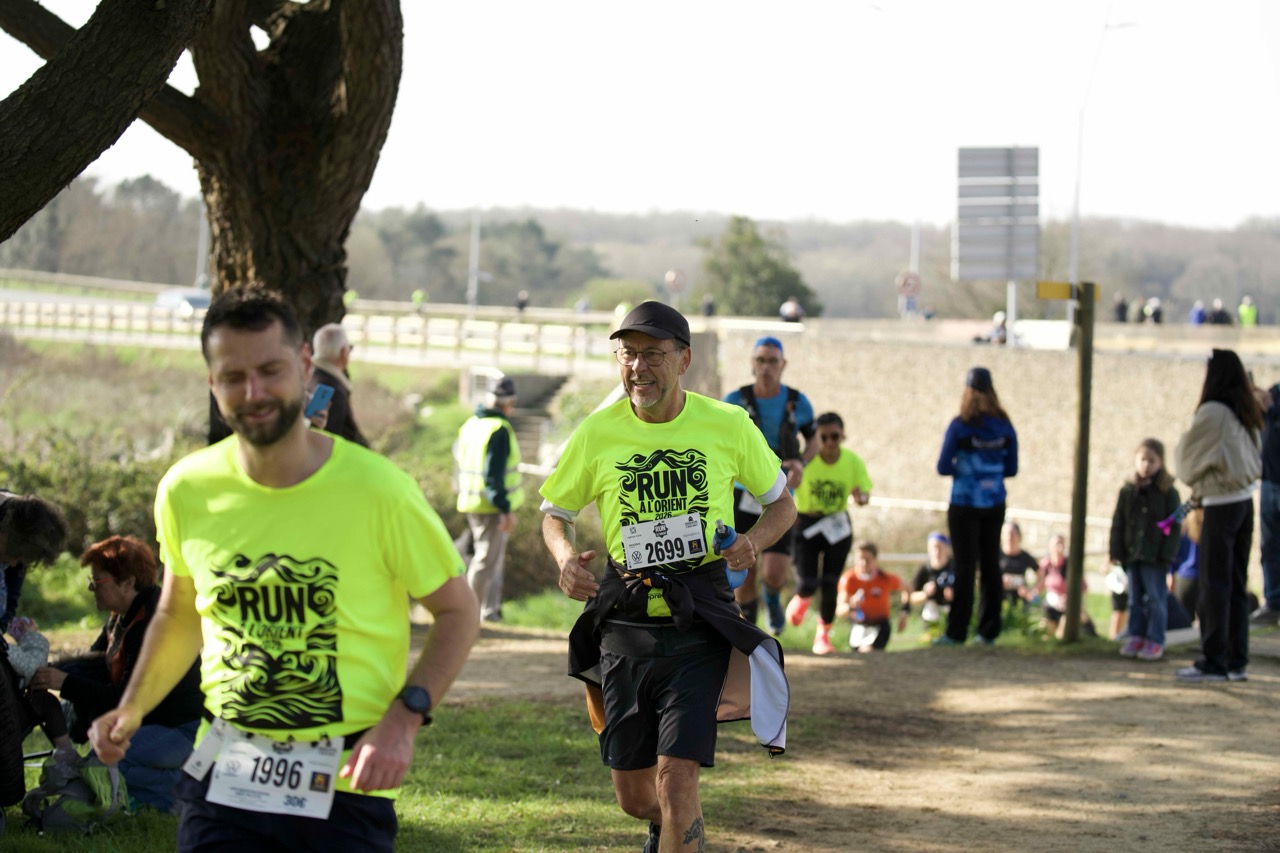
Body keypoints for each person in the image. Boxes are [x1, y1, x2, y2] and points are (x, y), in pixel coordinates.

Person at [88, 289, 479, 850]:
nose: (254, 393)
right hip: (224, 765)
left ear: (303, 365)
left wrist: (405, 718)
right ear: (212, 383)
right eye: (233, 376)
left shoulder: (380, 491)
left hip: (346, 775)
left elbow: (458, 611)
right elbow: (178, 613)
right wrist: (131, 708)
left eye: (270, 370)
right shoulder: (186, 489)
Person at [539, 300, 794, 853]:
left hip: (699, 617)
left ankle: (679, 829)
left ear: (683, 360)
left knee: (678, 779)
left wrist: (751, 543)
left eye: (653, 355)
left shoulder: (727, 423)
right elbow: (555, 514)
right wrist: (565, 558)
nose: (638, 367)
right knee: (636, 796)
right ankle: (671, 831)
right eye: (628, 354)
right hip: (625, 619)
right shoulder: (597, 432)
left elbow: (782, 504)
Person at [28, 536, 204, 811]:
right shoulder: (121, 615)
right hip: (150, 725)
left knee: (106, 764)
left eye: (97, 581)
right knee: (100, 763)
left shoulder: (150, 622)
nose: (91, 588)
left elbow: (122, 698)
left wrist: (65, 682)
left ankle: (190, 791)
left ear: (127, 583)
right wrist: (46, 667)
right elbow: (92, 659)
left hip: (182, 730)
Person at [1173, 349, 1261, 683]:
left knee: (1214, 584)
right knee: (1236, 584)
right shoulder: (1244, 409)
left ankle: (1213, 660)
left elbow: (1187, 462)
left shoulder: (1213, 411)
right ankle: (1237, 660)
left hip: (1221, 505)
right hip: (1244, 503)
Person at [723, 336, 815, 634]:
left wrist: (801, 462)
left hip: (779, 496)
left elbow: (813, 439)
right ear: (752, 363)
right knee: (743, 569)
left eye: (772, 361)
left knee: (774, 573)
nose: (766, 367)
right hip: (741, 495)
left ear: (783, 365)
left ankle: (773, 598)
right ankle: (750, 634)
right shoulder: (734, 400)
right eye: (760, 360)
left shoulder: (797, 402)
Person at [935, 366, 1018, 646]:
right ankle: (988, 631)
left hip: (964, 503)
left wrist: (966, 467)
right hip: (994, 503)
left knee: (965, 567)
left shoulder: (960, 425)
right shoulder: (1004, 426)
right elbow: (1012, 468)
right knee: (991, 565)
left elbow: (943, 466)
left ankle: (956, 632)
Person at [783, 412, 872, 655]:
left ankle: (823, 635)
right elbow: (784, 487)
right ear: (817, 438)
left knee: (831, 582)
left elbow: (865, 492)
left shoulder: (852, 461)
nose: (830, 442)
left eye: (835, 436)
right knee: (808, 582)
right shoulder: (806, 462)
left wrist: (861, 497)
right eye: (824, 437)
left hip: (837, 525)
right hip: (806, 523)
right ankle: (803, 596)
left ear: (843, 436)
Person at [454, 375, 524, 623]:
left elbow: (457, 462)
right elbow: (493, 475)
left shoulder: (471, 424)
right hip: (491, 506)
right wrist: (504, 509)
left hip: (471, 501)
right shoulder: (499, 429)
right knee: (485, 561)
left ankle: (488, 611)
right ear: (510, 403)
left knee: (490, 559)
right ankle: (470, 614)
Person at [1109, 439, 1182, 662]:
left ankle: (1155, 639)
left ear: (1161, 462)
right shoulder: (1128, 491)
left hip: (1155, 557)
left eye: (1152, 460)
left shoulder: (1168, 492)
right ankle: (1136, 635)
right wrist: (1116, 550)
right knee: (1134, 599)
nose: (1146, 465)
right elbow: (1119, 522)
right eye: (1143, 459)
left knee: (1155, 598)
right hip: (1133, 555)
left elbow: (1175, 526)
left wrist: (1167, 555)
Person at [835, 541, 908, 652]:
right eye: (860, 559)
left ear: (875, 560)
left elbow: (908, 588)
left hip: (880, 625)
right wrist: (850, 606)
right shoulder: (848, 579)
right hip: (859, 625)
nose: (863, 563)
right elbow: (839, 611)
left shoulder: (885, 578)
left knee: (868, 651)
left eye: (867, 559)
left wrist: (904, 613)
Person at [1250, 379, 1280, 627]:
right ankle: (1273, 602)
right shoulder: (1273, 392)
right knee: (1269, 547)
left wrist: (1272, 408)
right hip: (1269, 481)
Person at [311, 323, 369, 448]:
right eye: (350, 348)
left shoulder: (311, 378)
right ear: (343, 352)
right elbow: (330, 438)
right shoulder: (332, 390)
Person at [1034, 533, 1096, 639]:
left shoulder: (1070, 565)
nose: (1060, 546)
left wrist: (1070, 599)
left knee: (1063, 630)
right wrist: (1031, 594)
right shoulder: (1046, 564)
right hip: (1051, 605)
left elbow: (1083, 588)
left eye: (1061, 543)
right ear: (1049, 545)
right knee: (1043, 630)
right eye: (1057, 543)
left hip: (1068, 605)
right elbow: (1040, 586)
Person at [910, 532, 955, 625]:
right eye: (934, 547)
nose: (937, 551)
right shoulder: (924, 569)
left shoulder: (955, 567)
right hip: (931, 615)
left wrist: (955, 594)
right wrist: (925, 594)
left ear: (946, 548)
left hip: (953, 613)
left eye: (940, 547)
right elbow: (910, 597)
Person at [998, 521, 1039, 611]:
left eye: (1012, 534)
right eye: (1006, 534)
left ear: (1019, 536)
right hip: (998, 600)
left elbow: (1041, 575)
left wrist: (1031, 591)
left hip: (1020, 604)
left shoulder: (1025, 557)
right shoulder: (996, 554)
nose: (1009, 537)